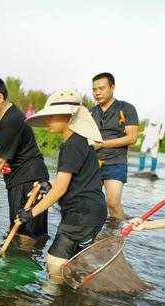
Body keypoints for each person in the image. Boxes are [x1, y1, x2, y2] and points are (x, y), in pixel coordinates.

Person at [18, 89, 107, 282]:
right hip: (90, 211)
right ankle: (72, 302)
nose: (48, 121)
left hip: (81, 213)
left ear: (68, 116)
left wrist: (31, 213)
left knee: (54, 262)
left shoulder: (72, 144)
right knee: (73, 263)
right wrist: (48, 186)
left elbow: (61, 189)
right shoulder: (77, 141)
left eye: (52, 117)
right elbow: (71, 182)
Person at [0, 76, 50, 239]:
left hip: (29, 179)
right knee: (18, 228)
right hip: (18, 178)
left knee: (27, 233)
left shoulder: (11, 120)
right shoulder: (3, 117)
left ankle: (25, 263)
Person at [90, 72, 139, 221]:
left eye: (101, 88)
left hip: (116, 162)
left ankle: (118, 235)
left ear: (112, 87)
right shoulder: (90, 112)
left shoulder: (127, 108)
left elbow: (132, 138)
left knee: (112, 202)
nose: (97, 92)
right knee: (90, 204)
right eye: (94, 89)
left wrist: (103, 144)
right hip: (92, 163)